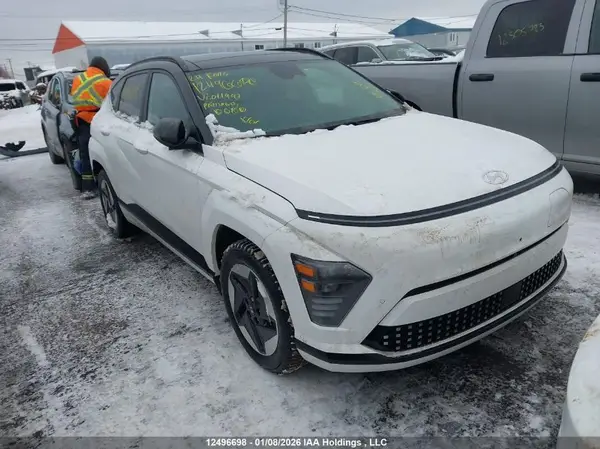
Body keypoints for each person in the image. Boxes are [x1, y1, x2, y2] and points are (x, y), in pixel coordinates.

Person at [70, 56, 112, 199]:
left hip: (81, 120)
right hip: (98, 119)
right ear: (103, 67)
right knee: (103, 152)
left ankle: (87, 188)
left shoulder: (78, 79)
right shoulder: (105, 82)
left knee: (85, 154)